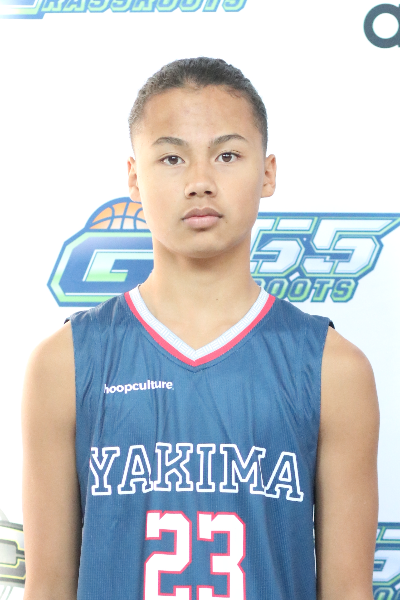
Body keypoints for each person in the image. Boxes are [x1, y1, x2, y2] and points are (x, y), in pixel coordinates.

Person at [22, 57, 379, 600]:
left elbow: (348, 591)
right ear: (134, 178)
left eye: (227, 155)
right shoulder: (64, 362)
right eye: (172, 158)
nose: (200, 182)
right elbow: (47, 588)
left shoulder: (334, 369)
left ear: (268, 173)